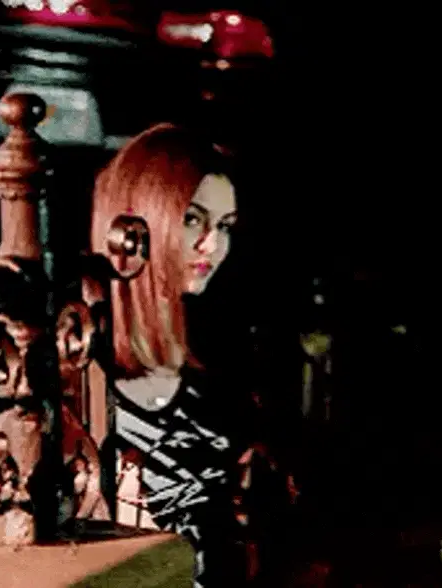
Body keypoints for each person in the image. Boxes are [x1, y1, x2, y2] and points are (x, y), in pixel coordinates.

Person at [86, 123, 297, 587]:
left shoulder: (219, 365)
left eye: (224, 226)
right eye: (192, 220)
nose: (213, 245)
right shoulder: (86, 380)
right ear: (131, 227)